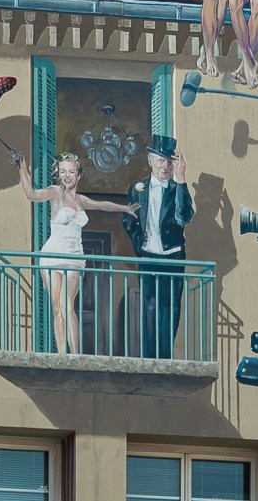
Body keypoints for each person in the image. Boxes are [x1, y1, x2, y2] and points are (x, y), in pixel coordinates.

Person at [119, 137, 195, 357]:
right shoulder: (137, 188)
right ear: (151, 161)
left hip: (172, 256)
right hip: (148, 255)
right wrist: (139, 243)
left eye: (170, 162)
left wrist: (181, 181)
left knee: (170, 307)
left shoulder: (177, 188)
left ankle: (165, 356)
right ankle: (150, 356)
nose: (165, 166)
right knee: (149, 307)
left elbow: (184, 217)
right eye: (161, 160)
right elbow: (128, 220)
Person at [26, 151, 101, 352]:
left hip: (74, 258)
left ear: (79, 175)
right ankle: (61, 355)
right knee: (58, 308)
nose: (67, 175)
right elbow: (31, 195)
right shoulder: (55, 192)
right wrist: (22, 166)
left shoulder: (82, 200)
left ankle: (75, 356)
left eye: (71, 171)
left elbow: (104, 205)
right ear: (58, 174)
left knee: (68, 305)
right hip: (51, 256)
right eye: (63, 171)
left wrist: (126, 208)